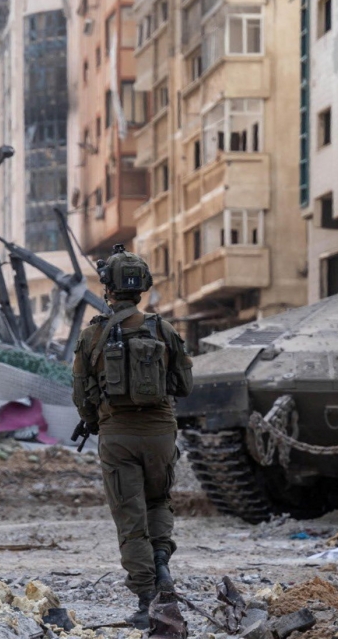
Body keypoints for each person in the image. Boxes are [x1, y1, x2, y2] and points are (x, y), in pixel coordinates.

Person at [71, 244, 194, 630]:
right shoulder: (163, 329)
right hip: (160, 434)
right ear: (142, 287)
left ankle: (147, 600)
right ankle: (162, 566)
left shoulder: (93, 335)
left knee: (130, 517)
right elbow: (185, 385)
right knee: (158, 502)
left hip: (118, 436)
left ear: (107, 288)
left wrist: (93, 419)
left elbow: (80, 395)